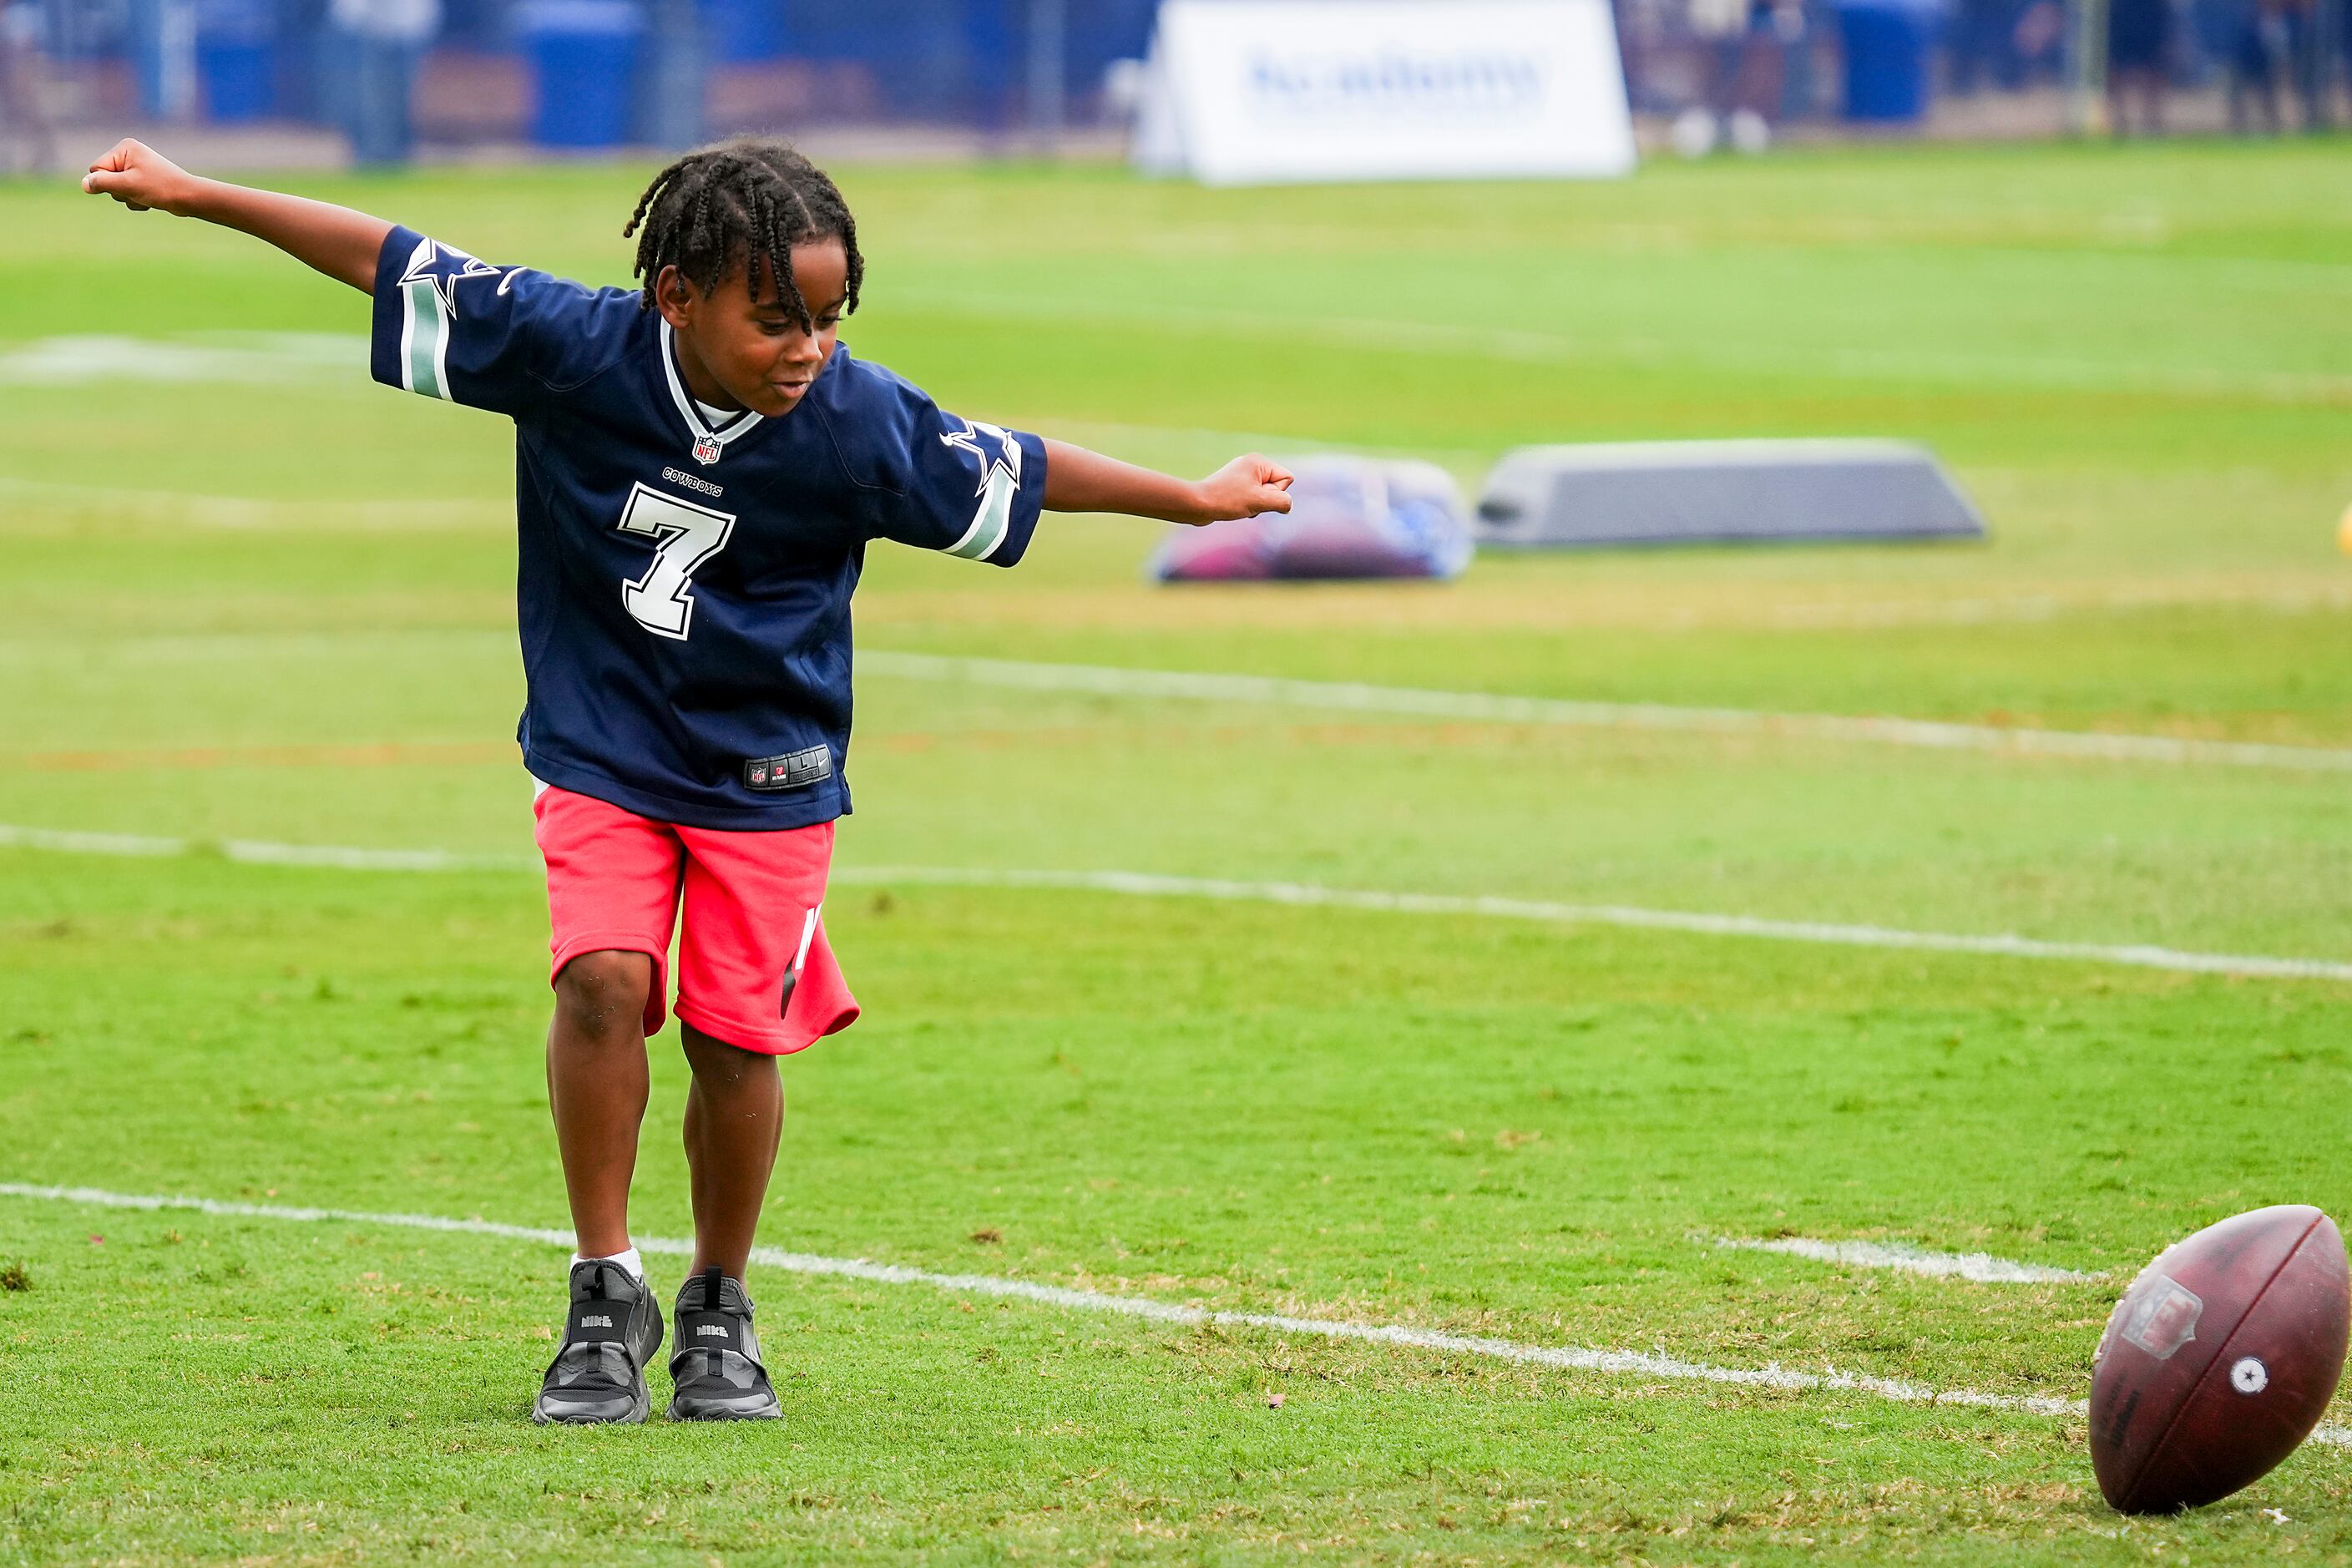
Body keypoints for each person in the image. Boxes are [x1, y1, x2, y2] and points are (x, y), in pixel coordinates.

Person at [82, 134, 1294, 1426]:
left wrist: (1194, 499)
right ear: (677, 297)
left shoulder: (856, 419)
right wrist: (198, 192)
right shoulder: (568, 347)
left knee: (732, 1034)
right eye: (777, 319)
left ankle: (720, 1301)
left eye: (829, 319)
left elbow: (1022, 466)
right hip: (602, 746)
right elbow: (385, 258)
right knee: (602, 980)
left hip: (768, 772)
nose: (807, 348)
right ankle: (604, 1289)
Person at [2107, 0, 2173, 134]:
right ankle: (2120, 122)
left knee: (2153, 72)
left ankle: (2152, 123)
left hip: (2150, 16)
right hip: (2120, 16)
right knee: (2115, 72)